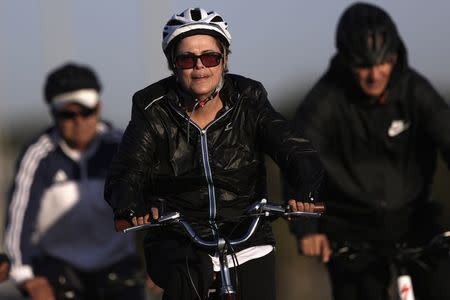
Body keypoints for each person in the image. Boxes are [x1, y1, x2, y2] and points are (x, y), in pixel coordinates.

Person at [104, 7, 323, 300]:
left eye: (210, 57)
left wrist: (305, 193)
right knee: (191, 271)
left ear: (224, 61)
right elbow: (126, 171)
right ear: (172, 64)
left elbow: (297, 151)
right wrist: (133, 206)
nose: (200, 67)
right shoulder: (151, 109)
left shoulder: (250, 99)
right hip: (179, 237)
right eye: (186, 59)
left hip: (247, 234)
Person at [290, 2, 450, 300]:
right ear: (346, 61)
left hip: (414, 218)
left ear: (396, 56)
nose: (375, 75)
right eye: (364, 65)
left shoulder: (415, 90)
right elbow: (300, 164)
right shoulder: (324, 101)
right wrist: (307, 229)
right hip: (351, 228)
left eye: (384, 62)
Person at [4, 63, 145, 300]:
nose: (78, 121)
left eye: (86, 111)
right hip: (58, 270)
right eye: (68, 114)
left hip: (117, 266)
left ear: (98, 108)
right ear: (54, 114)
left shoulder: (121, 146)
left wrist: (159, 260)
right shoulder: (38, 156)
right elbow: (19, 221)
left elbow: (150, 202)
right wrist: (26, 278)